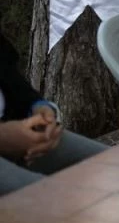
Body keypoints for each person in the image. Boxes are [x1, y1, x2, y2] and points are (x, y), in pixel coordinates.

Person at [0, 28, 106, 195]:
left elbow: (11, 77)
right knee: (53, 198)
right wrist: (4, 136)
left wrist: (41, 109)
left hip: (22, 135)